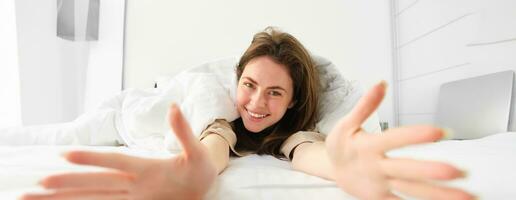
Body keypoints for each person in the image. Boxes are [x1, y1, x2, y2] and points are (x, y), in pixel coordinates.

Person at [21, 28, 474, 200]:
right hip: (122, 111)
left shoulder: (295, 131)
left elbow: (306, 150)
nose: (256, 103)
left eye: (275, 93)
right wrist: (196, 167)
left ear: (294, 101)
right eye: (250, 86)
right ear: (236, 80)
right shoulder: (219, 107)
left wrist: (343, 166)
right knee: (58, 134)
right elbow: (213, 143)